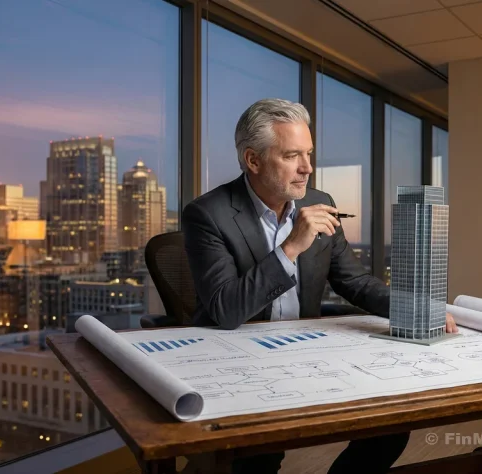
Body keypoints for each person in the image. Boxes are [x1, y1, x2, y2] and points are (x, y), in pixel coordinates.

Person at [182, 98, 457, 474]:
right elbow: (226, 310)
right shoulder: (208, 214)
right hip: (237, 359)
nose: (307, 168)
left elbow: (354, 281)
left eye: (309, 154)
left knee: (389, 426)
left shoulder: (319, 202)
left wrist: (415, 307)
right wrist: (291, 246)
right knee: (257, 460)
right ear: (253, 160)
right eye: (292, 155)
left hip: (302, 352)